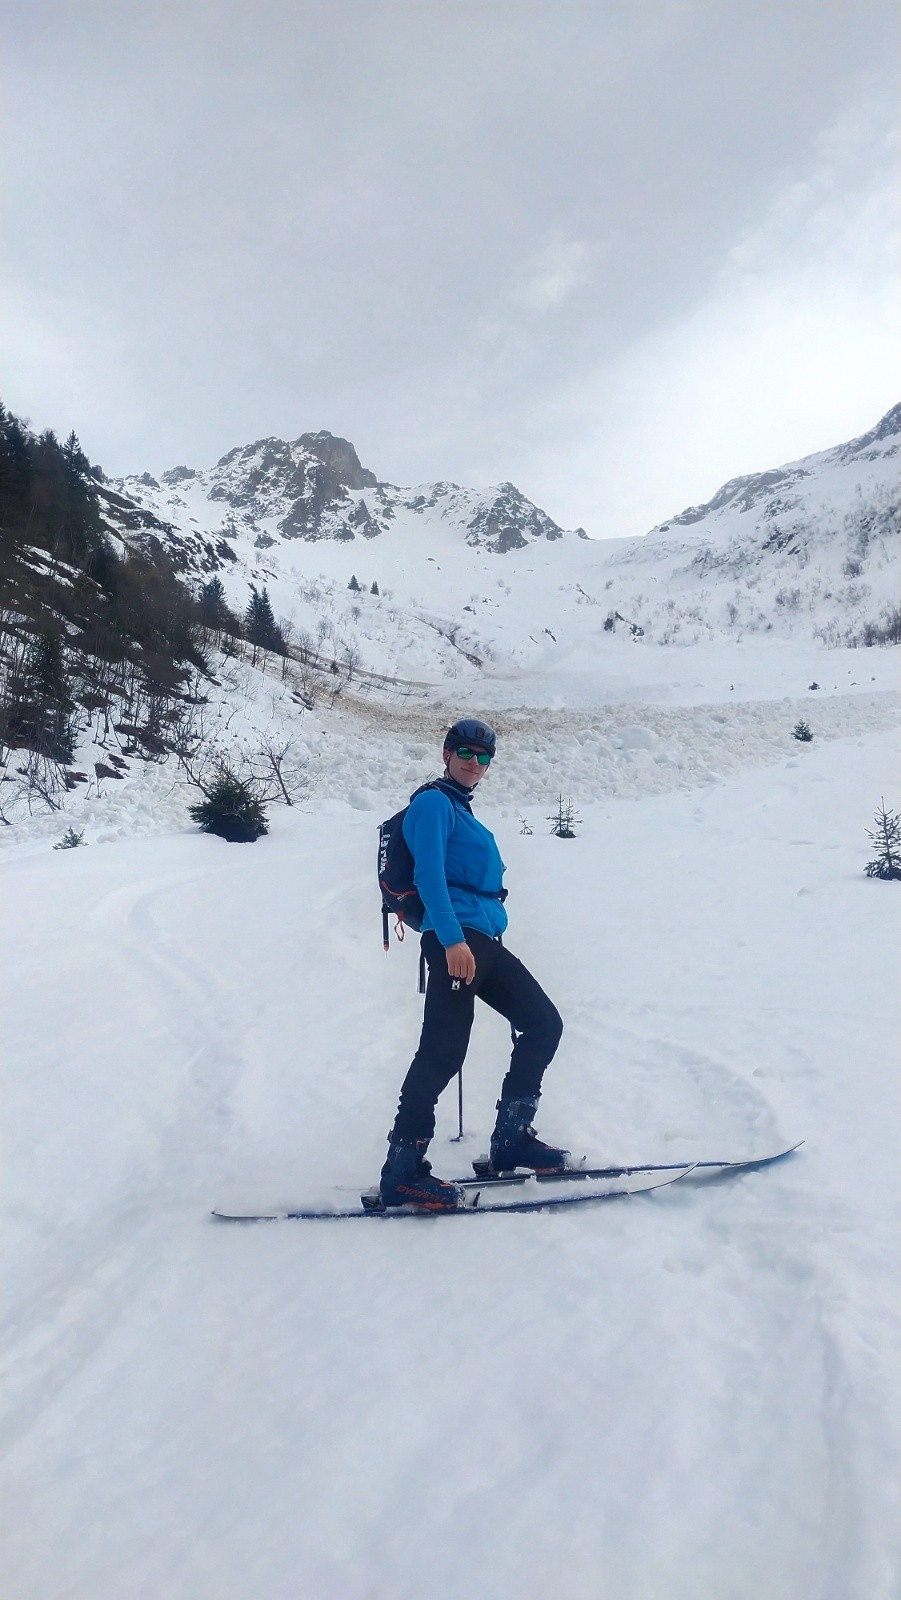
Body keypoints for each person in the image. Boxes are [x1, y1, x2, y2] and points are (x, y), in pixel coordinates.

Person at [379, 717, 568, 1210]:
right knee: (442, 1052)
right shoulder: (433, 803)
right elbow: (429, 876)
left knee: (543, 1024)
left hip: (482, 941)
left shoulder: (461, 809)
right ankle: (402, 1170)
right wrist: (451, 939)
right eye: (465, 752)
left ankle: (512, 1139)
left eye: (484, 757)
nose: (475, 762)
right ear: (446, 754)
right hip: (457, 941)